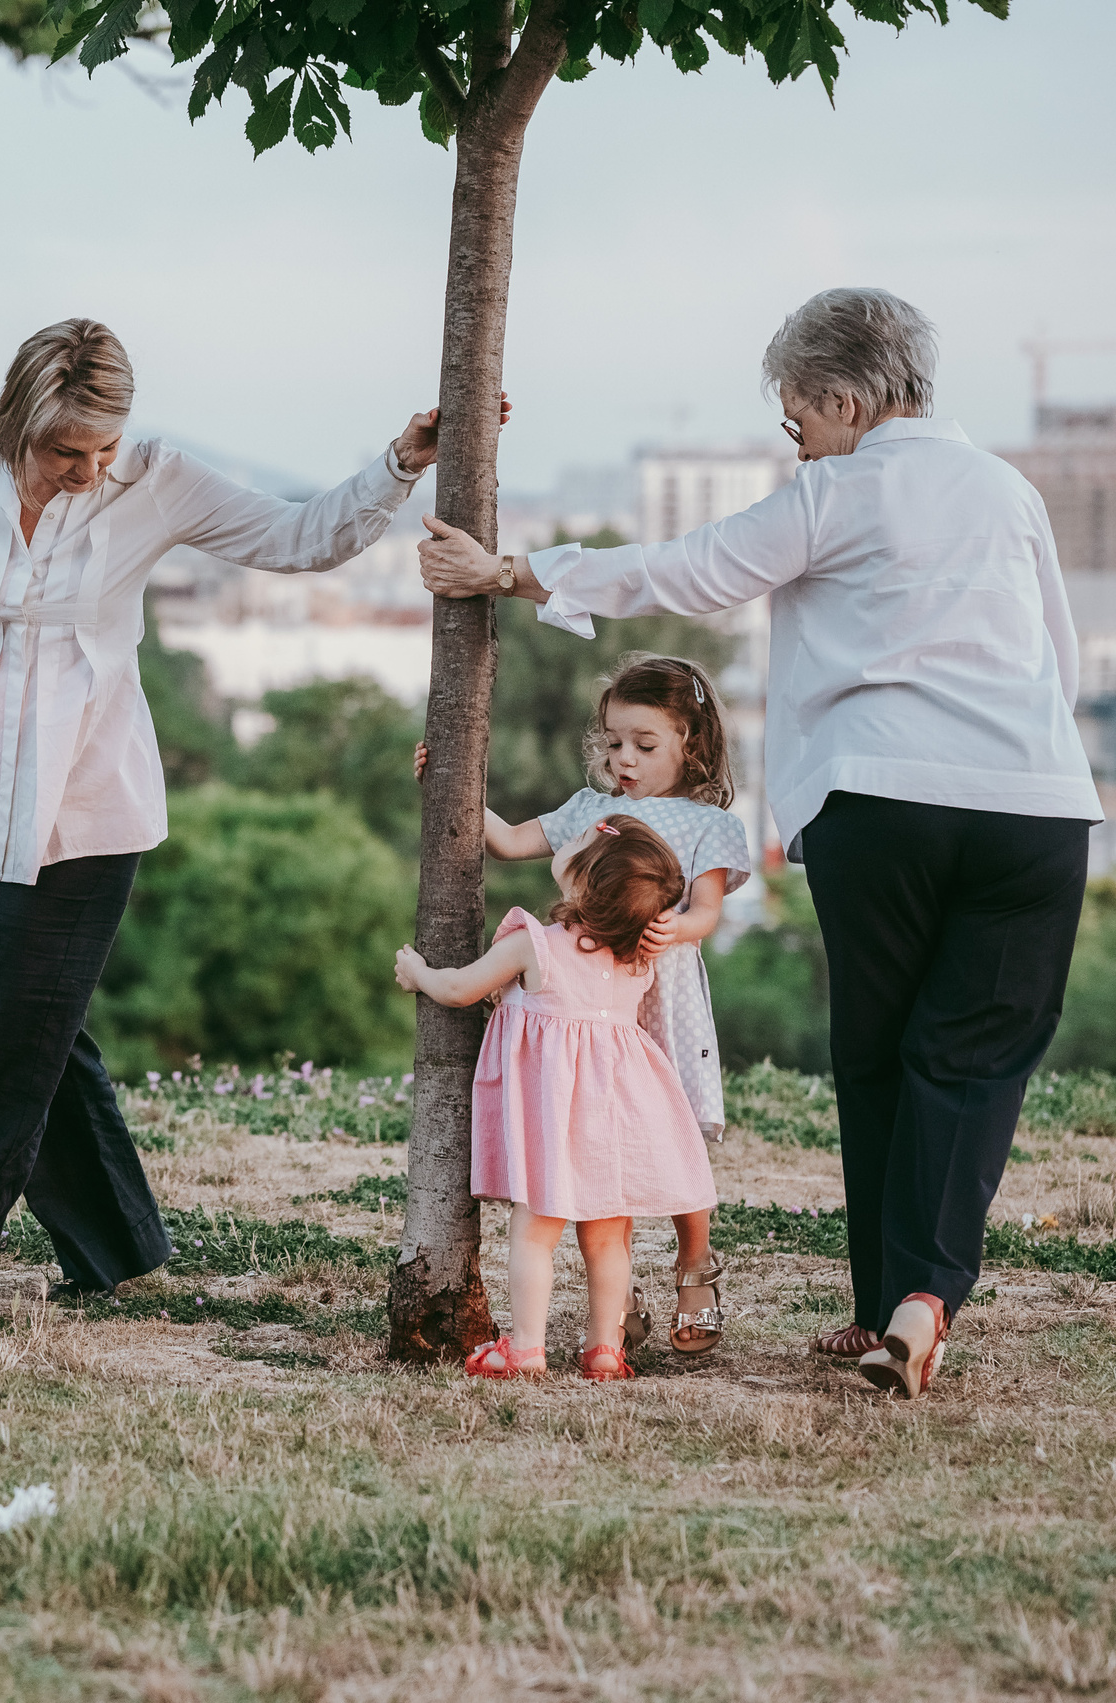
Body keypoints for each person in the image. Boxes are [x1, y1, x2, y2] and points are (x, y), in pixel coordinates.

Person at [419, 287, 1099, 1398]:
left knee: (879, 1045)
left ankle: (890, 1301)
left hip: (879, 798)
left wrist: (513, 572)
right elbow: (1057, 666)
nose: (798, 440)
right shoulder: (1008, 488)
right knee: (974, 1057)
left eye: (796, 420)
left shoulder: (833, 490)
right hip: (1034, 803)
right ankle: (918, 1301)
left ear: (840, 397)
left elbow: (684, 570)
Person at [0, 315, 507, 1326]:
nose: (86, 467)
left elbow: (299, 537)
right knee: (32, 1031)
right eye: (65, 448)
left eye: (101, 446)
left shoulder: (153, 479)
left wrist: (398, 462)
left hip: (87, 805)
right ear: (16, 420)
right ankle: (115, 1238)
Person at [415, 653, 750, 1355]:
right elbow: (506, 841)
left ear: (693, 741)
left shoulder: (705, 824)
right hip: (593, 996)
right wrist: (446, 783)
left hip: (663, 990)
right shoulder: (589, 809)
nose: (624, 759)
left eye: (645, 744)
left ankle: (695, 1264)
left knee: (675, 1134)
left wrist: (676, 926)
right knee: (602, 1138)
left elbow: (708, 910)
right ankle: (617, 1290)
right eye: (614, 743)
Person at [394, 818, 716, 1381]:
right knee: (609, 1240)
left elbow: (459, 989)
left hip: (551, 1125)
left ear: (582, 880)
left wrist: (418, 972)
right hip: (615, 1122)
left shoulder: (534, 944)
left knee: (534, 1234)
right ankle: (604, 1349)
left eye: (579, 846)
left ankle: (526, 1348)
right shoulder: (637, 959)